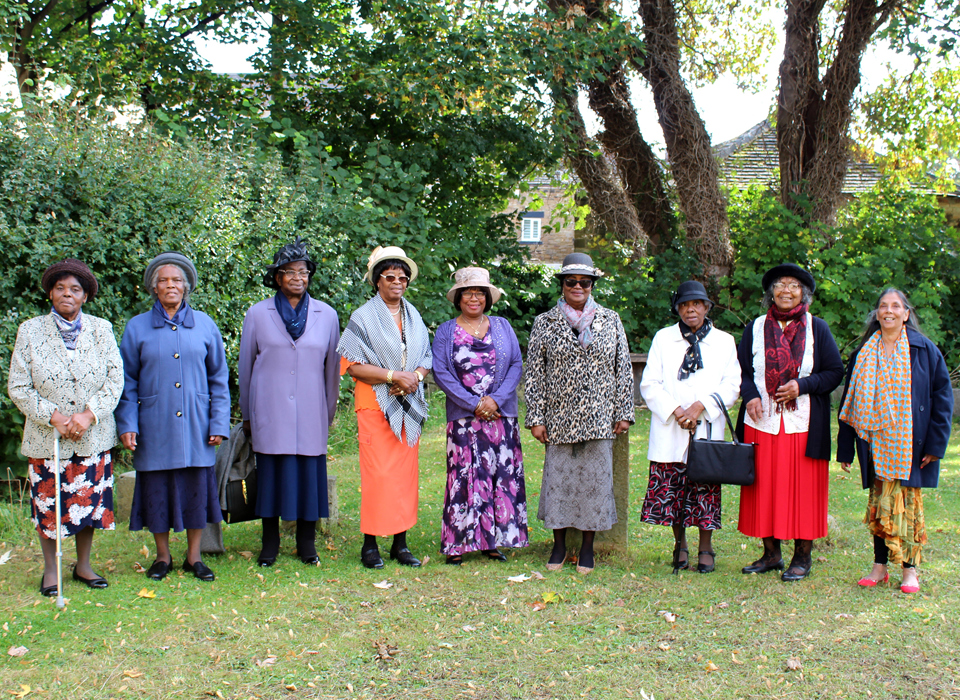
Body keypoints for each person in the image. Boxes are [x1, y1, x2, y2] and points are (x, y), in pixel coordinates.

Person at [7, 259, 123, 596]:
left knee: (88, 501)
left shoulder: (102, 329)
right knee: (49, 503)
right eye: (60, 288)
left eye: (75, 289)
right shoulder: (30, 331)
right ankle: (52, 569)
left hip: (92, 435)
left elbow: (115, 379)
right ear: (50, 293)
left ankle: (84, 565)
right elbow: (18, 386)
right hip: (47, 438)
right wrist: (54, 417)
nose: (67, 294)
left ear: (85, 296)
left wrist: (88, 415)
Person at [115, 252, 230, 582]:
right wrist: (128, 424)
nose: (170, 285)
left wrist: (218, 422)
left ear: (187, 286)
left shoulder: (205, 325)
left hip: (197, 422)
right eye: (163, 280)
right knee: (157, 490)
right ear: (154, 287)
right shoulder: (137, 327)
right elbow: (128, 381)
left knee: (196, 487)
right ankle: (163, 557)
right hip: (154, 423)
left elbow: (218, 379)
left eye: (177, 280)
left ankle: (194, 557)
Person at [837, 289, 953, 594]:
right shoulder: (864, 351)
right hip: (874, 443)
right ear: (877, 314)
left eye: (895, 306)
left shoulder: (924, 350)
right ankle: (879, 568)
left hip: (911, 445)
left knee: (909, 507)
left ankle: (909, 570)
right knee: (879, 506)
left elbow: (942, 399)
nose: (888, 311)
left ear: (906, 313)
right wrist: (846, 449)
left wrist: (935, 446)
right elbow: (849, 404)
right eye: (883, 306)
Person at [525, 253, 634, 574]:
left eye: (584, 282)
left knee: (595, 485)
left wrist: (623, 411)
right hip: (558, 419)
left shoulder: (610, 319)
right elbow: (534, 373)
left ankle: (587, 548)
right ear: (562, 284)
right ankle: (559, 546)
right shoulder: (545, 322)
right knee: (559, 484)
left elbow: (623, 368)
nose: (577, 287)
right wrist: (536, 417)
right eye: (571, 281)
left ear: (591, 285)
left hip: (600, 417)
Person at [735, 263, 844, 582]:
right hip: (762, 421)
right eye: (780, 284)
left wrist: (802, 385)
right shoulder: (754, 328)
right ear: (771, 292)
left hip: (803, 423)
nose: (786, 290)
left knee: (803, 490)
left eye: (793, 285)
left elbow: (835, 372)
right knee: (763, 487)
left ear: (803, 293)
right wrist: (751, 394)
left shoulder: (817, 328)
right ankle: (771, 554)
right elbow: (741, 371)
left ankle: (802, 556)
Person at [238, 239, 341, 567]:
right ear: (277, 277)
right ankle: (269, 544)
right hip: (270, 409)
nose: (298, 277)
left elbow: (331, 370)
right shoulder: (257, 314)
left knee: (309, 477)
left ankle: (306, 544)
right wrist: (247, 413)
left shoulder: (327, 315)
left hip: (312, 409)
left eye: (304, 271)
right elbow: (245, 367)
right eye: (290, 272)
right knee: (271, 476)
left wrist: (329, 410)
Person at [338, 246, 432, 569]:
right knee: (378, 476)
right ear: (378, 281)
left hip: (407, 404)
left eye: (402, 278)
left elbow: (426, 359)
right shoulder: (362, 317)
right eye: (390, 277)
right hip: (375, 405)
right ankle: (370, 545)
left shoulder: (414, 316)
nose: (397, 282)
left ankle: (400, 544)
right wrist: (393, 375)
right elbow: (351, 365)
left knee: (404, 477)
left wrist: (414, 377)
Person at [639, 281, 741, 574]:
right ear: (678, 309)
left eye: (696, 304)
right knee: (674, 488)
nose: (690, 310)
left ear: (707, 307)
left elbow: (732, 384)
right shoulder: (663, 338)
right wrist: (677, 410)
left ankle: (705, 547)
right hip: (672, 427)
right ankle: (680, 543)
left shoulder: (723, 341)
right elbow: (650, 383)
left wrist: (701, 407)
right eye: (684, 305)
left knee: (705, 487)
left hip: (707, 427)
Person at [432, 267, 528, 566]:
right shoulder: (446, 331)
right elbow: (441, 372)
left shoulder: (502, 325)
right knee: (464, 478)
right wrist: (474, 404)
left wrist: (495, 400)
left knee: (499, 478)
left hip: (501, 416)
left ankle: (493, 541)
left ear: (487, 298)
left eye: (479, 293)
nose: (474, 298)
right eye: (467, 293)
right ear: (458, 299)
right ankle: (458, 543)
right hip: (464, 417)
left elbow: (515, 364)